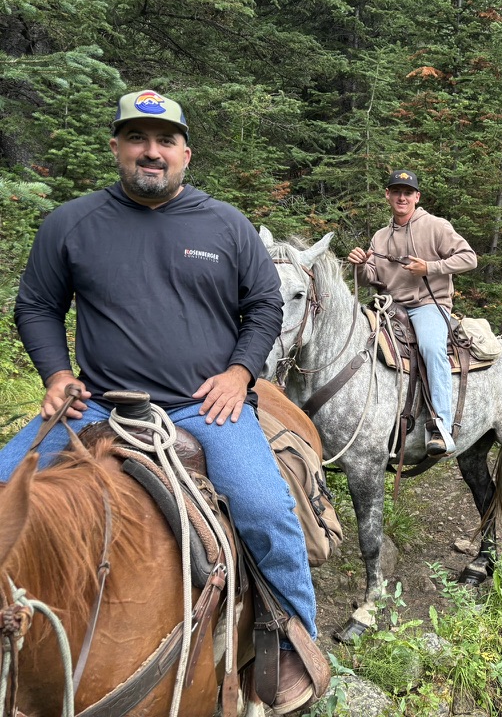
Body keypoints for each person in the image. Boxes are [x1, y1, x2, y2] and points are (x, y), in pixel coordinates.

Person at [0, 89, 321, 715]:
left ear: (185, 153)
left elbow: (264, 306)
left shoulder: (225, 224)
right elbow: (36, 305)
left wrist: (239, 373)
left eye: (165, 140)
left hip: (202, 407)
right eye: (138, 138)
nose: (152, 151)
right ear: (118, 147)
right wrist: (56, 374)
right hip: (98, 405)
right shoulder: (73, 222)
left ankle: (292, 643)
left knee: (264, 508)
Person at [347, 169, 478, 456]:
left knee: (431, 348)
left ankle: (440, 426)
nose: (402, 197)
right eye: (396, 191)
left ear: (417, 197)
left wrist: (430, 268)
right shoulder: (380, 237)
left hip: (429, 305)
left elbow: (469, 258)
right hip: (390, 307)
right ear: (388, 196)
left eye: (408, 192)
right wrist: (359, 264)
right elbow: (370, 276)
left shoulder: (435, 226)